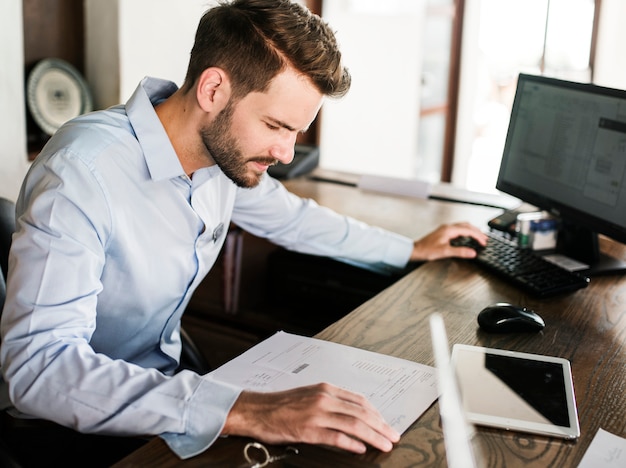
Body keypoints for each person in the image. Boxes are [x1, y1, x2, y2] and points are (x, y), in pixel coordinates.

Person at [0, 0, 486, 461]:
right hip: (68, 426)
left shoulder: (219, 157)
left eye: (296, 132)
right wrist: (247, 409)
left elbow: (295, 219)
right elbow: (39, 369)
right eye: (276, 126)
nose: (288, 153)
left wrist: (410, 249)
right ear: (213, 91)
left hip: (170, 382)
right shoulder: (82, 173)